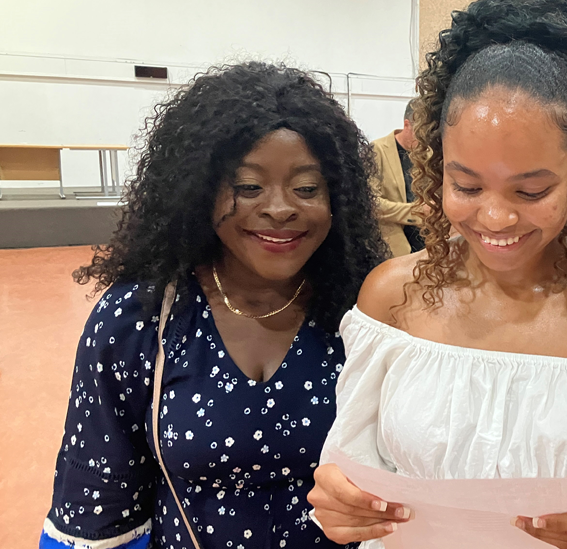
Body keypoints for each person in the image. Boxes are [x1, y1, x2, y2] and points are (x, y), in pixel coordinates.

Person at [307, 1, 567, 548]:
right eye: (467, 186)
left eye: (532, 191)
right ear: (435, 169)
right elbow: (347, 474)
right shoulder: (393, 296)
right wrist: (341, 505)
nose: (497, 218)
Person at [39, 62, 387, 549]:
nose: (281, 207)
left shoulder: (371, 317)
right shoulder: (139, 321)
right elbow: (98, 501)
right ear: (199, 191)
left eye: (307, 188)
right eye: (248, 187)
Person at [370, 100, 425, 257]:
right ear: (406, 125)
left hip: (426, 241)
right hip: (392, 244)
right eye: (420, 133)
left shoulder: (426, 154)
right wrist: (416, 212)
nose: (424, 140)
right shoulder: (377, 150)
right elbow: (372, 204)